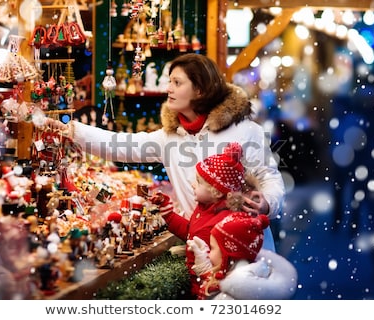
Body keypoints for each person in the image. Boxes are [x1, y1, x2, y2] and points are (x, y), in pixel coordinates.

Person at [40, 53, 285, 250]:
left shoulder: (245, 131)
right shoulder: (169, 138)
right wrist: (70, 130)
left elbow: (269, 179)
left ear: (200, 89)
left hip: (247, 247)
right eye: (169, 81)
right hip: (202, 248)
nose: (168, 88)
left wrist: (267, 203)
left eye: (177, 83)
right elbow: (120, 145)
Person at [150, 141, 266, 297]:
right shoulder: (204, 208)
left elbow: (222, 268)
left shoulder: (223, 223)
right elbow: (190, 232)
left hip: (208, 288)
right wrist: (168, 212)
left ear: (216, 192)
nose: (192, 185)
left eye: (198, 182)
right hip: (199, 281)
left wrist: (205, 281)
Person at [187, 213, 298, 300]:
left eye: (213, 248)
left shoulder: (228, 298)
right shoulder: (249, 277)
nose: (209, 254)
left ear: (229, 253)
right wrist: (205, 269)